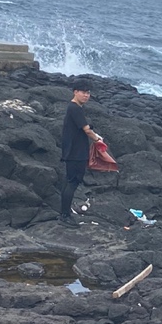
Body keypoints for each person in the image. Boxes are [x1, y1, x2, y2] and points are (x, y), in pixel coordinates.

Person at [60, 79, 104, 222]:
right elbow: (86, 129)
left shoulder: (75, 108)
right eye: (83, 93)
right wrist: (97, 139)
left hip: (73, 151)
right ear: (75, 92)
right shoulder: (74, 108)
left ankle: (64, 213)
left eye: (88, 93)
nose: (86, 95)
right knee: (72, 183)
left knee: (69, 182)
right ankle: (65, 215)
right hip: (75, 152)